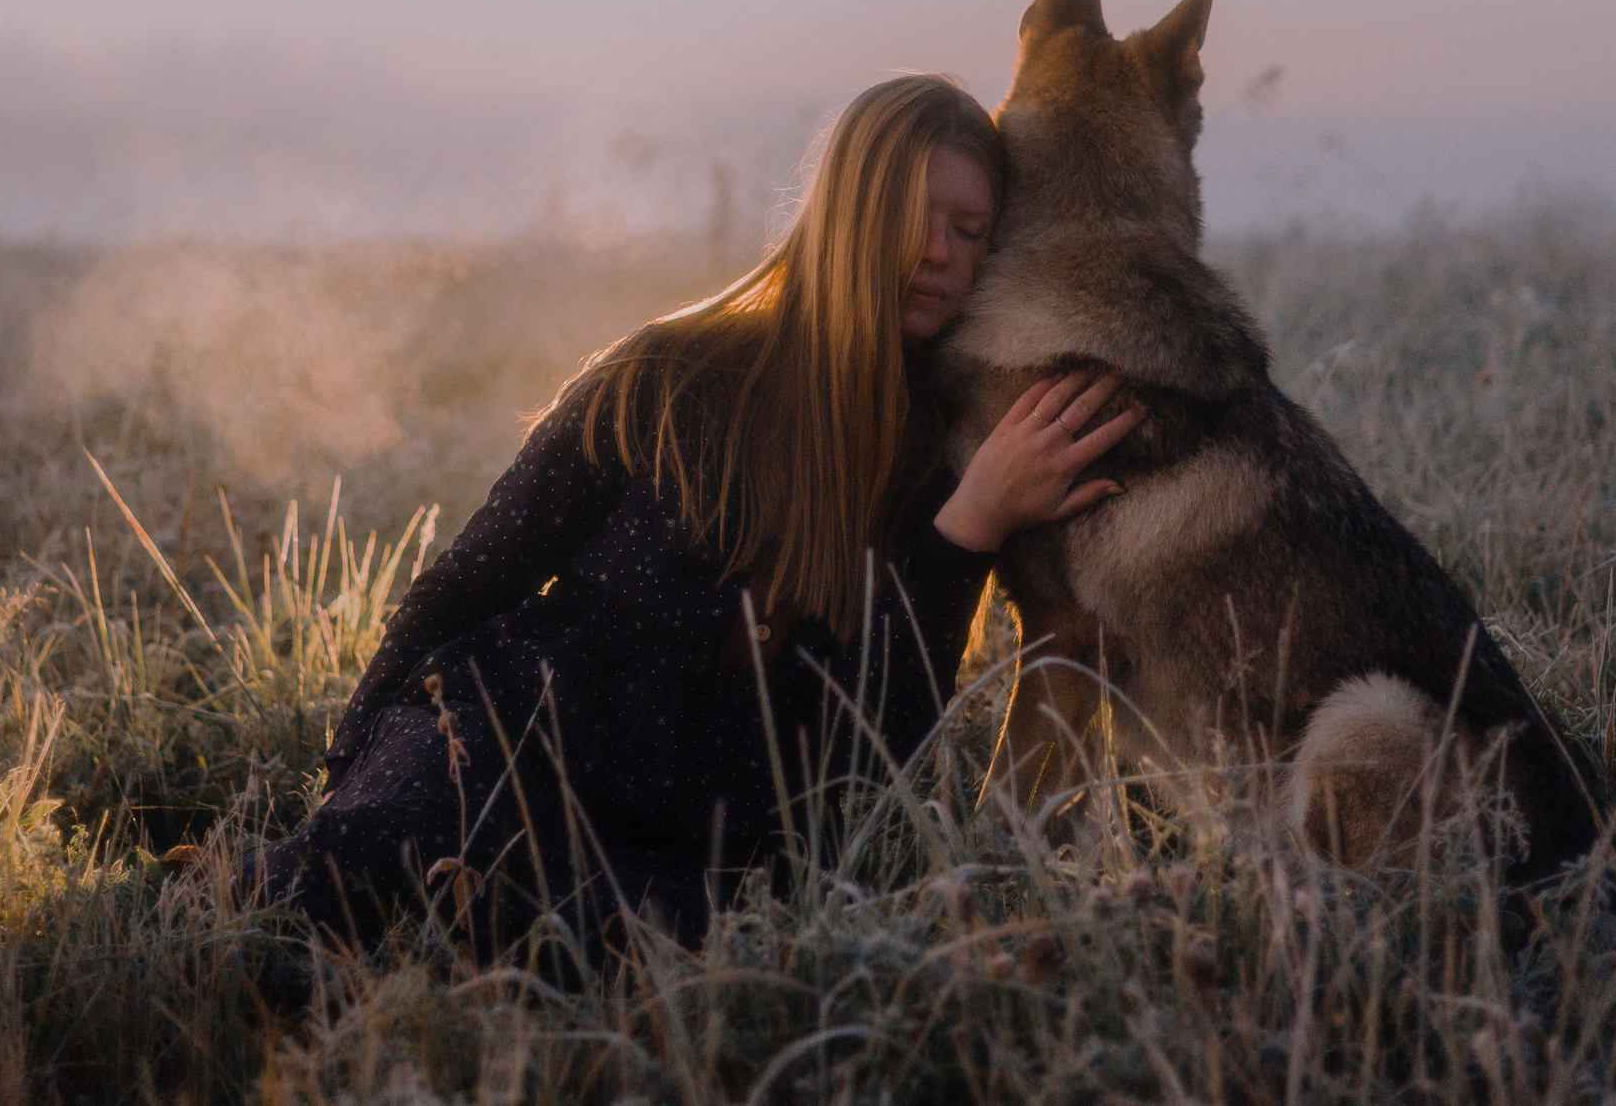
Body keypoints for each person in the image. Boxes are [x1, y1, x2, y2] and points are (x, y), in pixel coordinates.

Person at [248, 74, 1146, 949]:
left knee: (670, 941)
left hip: (692, 842)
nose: (940, 253)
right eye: (914, 214)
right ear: (848, 213)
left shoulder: (941, 459)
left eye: (971, 229)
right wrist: (351, 762)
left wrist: (970, 527)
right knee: (373, 864)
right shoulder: (670, 371)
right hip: (500, 742)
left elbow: (872, 757)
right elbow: (474, 578)